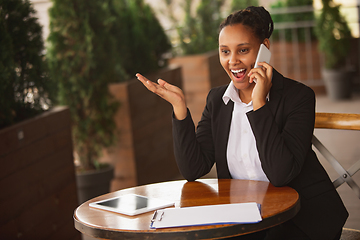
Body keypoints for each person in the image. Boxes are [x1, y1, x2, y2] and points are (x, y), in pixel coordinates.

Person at [136, 6, 348, 240]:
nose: (232, 61)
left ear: (264, 49)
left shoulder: (299, 97)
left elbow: (280, 174)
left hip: (301, 219)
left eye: (243, 50)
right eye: (225, 51)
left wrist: (259, 103)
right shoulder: (217, 100)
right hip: (244, 218)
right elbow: (193, 169)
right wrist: (179, 108)